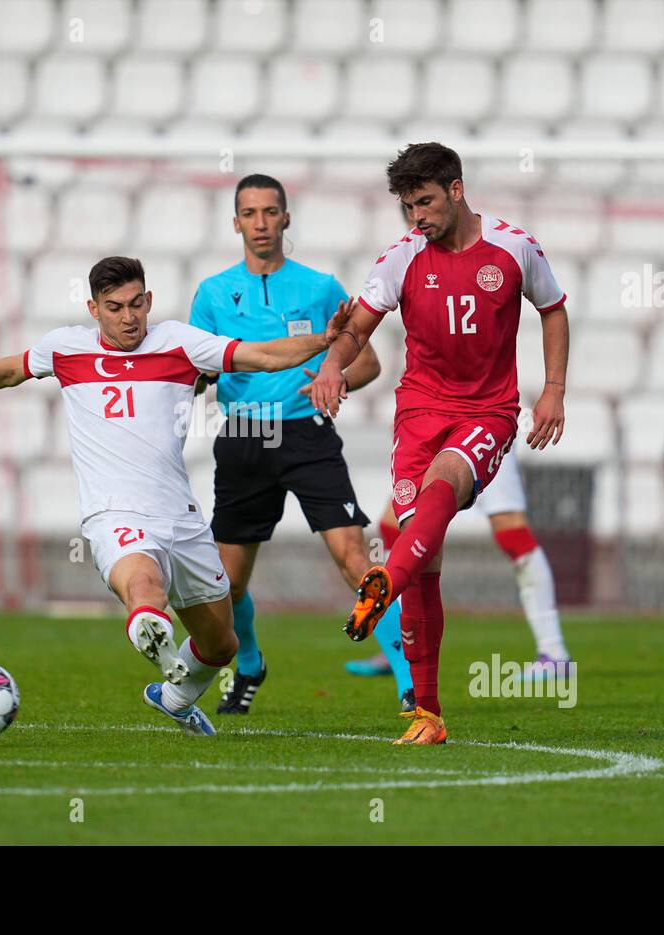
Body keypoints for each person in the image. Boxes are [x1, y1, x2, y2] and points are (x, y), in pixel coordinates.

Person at [0, 256, 352, 736]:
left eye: (136, 304)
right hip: (114, 512)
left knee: (221, 644)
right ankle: (147, 623)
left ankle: (174, 695)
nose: (128, 317)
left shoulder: (180, 344)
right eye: (115, 307)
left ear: (149, 301)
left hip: (180, 517)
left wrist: (322, 342)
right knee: (144, 586)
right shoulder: (66, 348)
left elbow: (264, 355)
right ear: (94, 309)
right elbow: (9, 371)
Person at [310, 143, 571, 745]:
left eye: (424, 202)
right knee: (426, 563)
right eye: (407, 207)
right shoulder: (402, 259)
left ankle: (383, 584)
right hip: (419, 413)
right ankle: (426, 715)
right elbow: (357, 328)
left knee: (442, 487)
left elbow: (553, 310)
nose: (416, 217)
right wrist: (331, 367)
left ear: (456, 189)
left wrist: (553, 388)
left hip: (486, 411)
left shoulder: (512, 247)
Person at [190, 173, 392, 714]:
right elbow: (197, 372)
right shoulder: (211, 295)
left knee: (356, 561)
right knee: (225, 586)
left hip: (307, 433)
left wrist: (337, 378)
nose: (260, 223)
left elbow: (368, 359)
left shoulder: (321, 287)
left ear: (286, 217)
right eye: (249, 214)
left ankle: (410, 686)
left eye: (270, 212)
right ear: (236, 223)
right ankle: (250, 662)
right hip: (243, 436)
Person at [347, 452, 572, 706]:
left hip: (477, 425)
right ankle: (401, 646)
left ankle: (553, 651)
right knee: (394, 524)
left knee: (512, 531)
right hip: (435, 427)